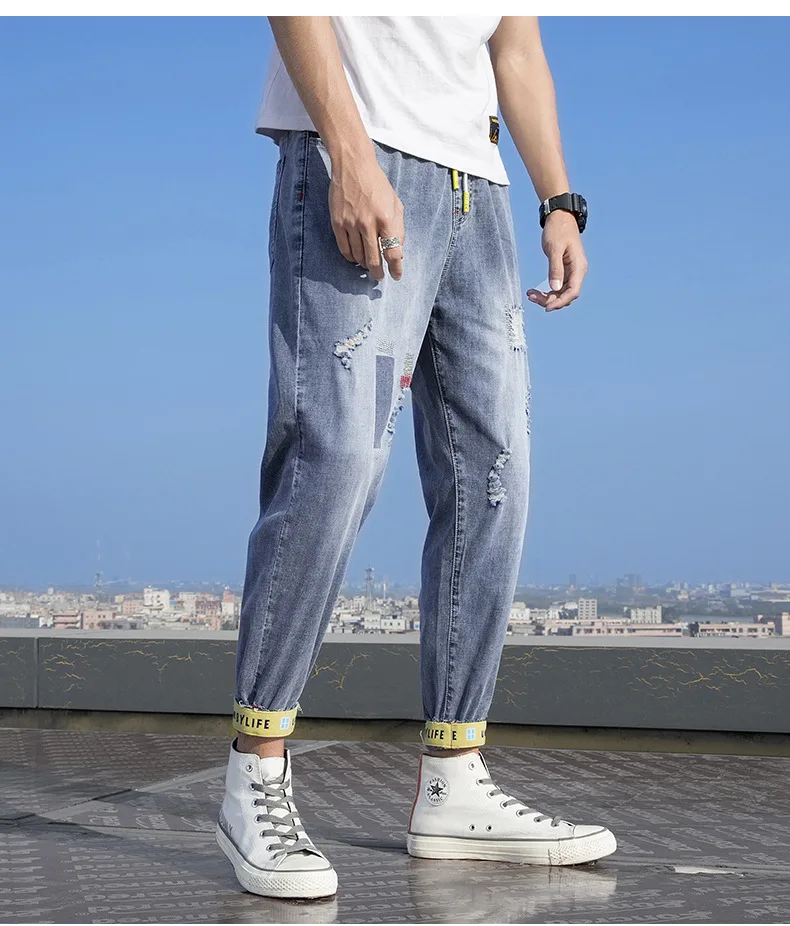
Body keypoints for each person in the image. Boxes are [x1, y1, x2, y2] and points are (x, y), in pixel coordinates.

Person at [216, 15, 615, 899]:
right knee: (337, 456)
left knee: (495, 475)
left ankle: (453, 780)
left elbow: (515, 45)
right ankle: (256, 771)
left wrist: (558, 199)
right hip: (359, 156)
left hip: (479, 185)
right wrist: (349, 154)